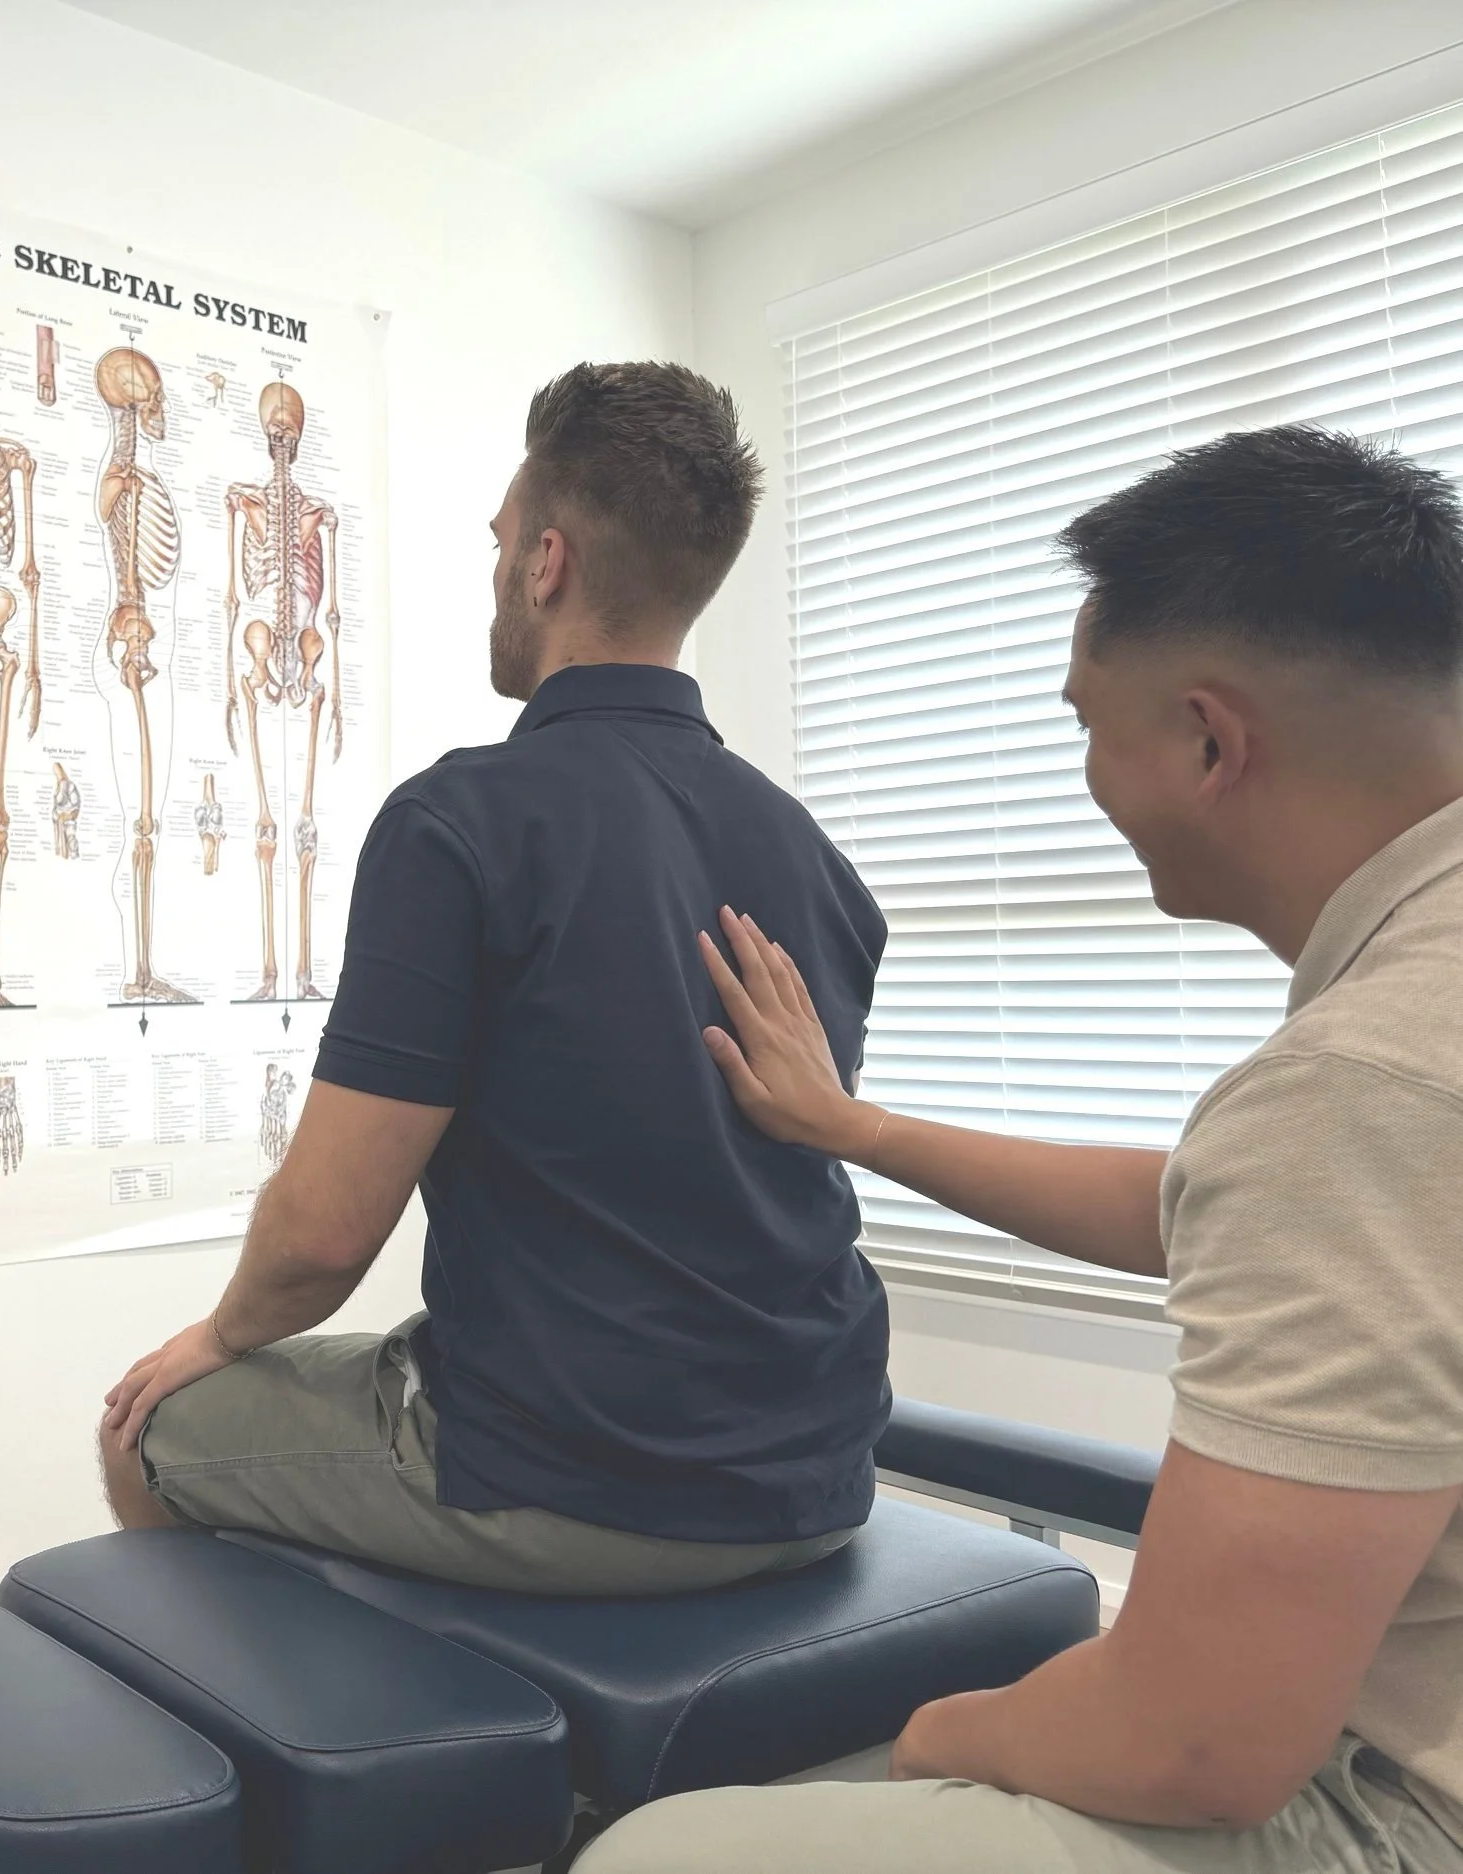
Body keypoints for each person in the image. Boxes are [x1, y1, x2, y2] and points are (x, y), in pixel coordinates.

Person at [584, 425, 1463, 1872]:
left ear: (1205, 739)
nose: (1084, 775)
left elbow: (1201, 1744)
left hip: (1395, 1807)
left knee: (654, 1853)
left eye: (1083, 723)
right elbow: (1208, 1210)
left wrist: (957, 1734)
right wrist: (853, 1127)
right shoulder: (1391, 1054)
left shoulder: (1359, 1084)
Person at [98, 362, 892, 1595]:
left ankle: (343, 1763)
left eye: (501, 540)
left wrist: (217, 1335)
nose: (494, 567)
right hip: (819, 1475)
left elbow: (320, 1236)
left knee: (148, 1429)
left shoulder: (457, 823)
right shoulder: (816, 859)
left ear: (547, 563)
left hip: (576, 1481)